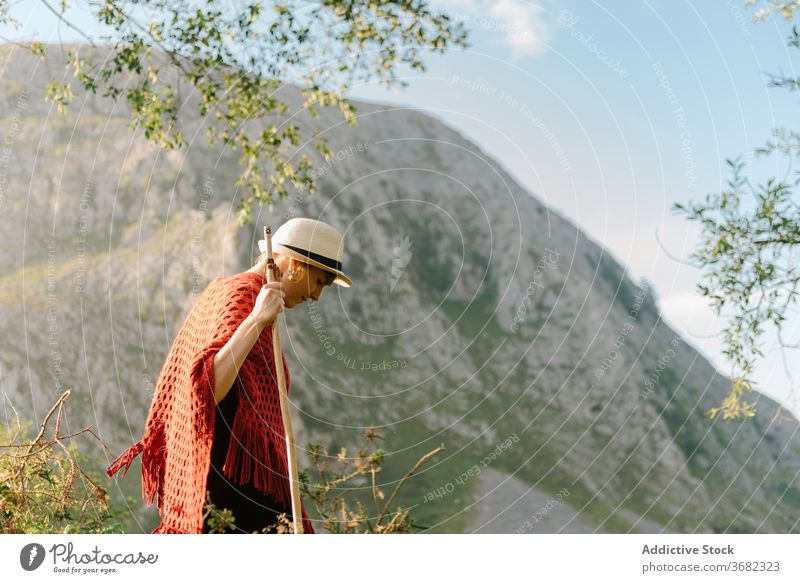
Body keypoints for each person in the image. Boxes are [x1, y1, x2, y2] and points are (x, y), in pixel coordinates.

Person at [107, 217, 353, 534]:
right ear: (294, 264)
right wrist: (255, 320)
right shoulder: (240, 297)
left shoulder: (245, 295)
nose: (317, 296)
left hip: (234, 480)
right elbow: (205, 387)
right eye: (319, 281)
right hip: (228, 489)